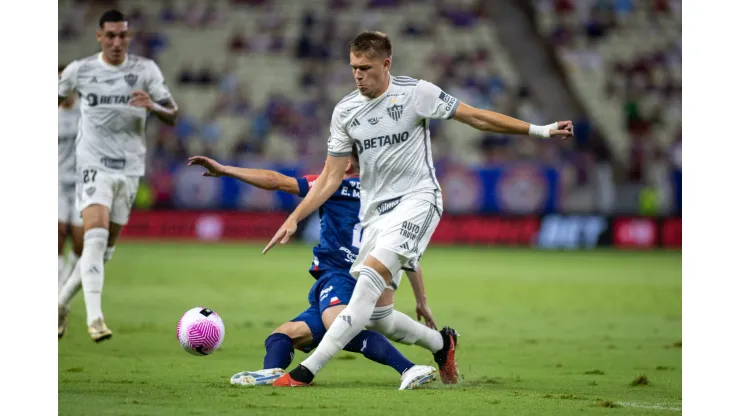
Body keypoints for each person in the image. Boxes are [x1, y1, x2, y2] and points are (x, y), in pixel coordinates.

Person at [263, 31, 573, 387]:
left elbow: (476, 117)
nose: (358, 75)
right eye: (353, 68)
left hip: (420, 200)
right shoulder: (346, 111)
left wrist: (541, 130)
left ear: (386, 64)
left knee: (365, 282)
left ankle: (305, 373)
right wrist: (294, 217)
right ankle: (442, 344)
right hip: (378, 213)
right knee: (378, 316)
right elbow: (331, 177)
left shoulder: (416, 93)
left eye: (365, 67)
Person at [188, 152, 453, 390]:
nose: (330, 159)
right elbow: (405, 252)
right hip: (356, 278)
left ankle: (408, 368)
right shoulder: (387, 198)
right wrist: (421, 299)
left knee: (341, 326)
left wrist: (225, 170)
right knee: (282, 335)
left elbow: (276, 180)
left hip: (340, 276)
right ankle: (270, 373)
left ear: (346, 163)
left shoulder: (332, 184)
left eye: (334, 155)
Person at [57, 9, 179, 342]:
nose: (116, 41)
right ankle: (95, 318)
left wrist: (154, 107)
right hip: (92, 166)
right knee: (94, 239)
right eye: (109, 35)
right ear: (99, 37)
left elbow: (173, 114)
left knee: (104, 251)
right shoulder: (80, 71)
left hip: (128, 170)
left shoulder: (145, 70)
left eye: (122, 35)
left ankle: (59, 303)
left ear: (129, 37)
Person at [58, 64, 84, 292]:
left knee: (79, 242)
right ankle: (57, 285)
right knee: (57, 232)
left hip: (80, 183)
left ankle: (66, 276)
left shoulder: (84, 111)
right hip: (55, 182)